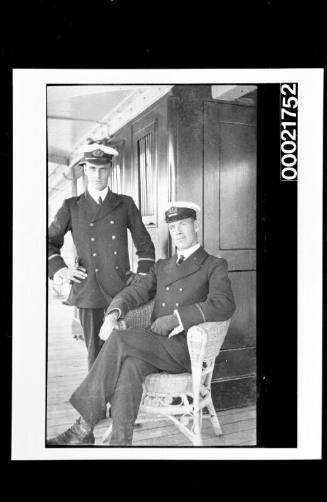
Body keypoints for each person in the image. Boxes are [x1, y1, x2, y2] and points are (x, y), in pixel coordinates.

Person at [47, 201, 236, 446]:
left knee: (119, 338)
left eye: (184, 225)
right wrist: (114, 313)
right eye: (173, 227)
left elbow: (224, 304)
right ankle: (120, 444)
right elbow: (135, 292)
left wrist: (177, 318)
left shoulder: (213, 264)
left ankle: (83, 426)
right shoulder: (162, 266)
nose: (177, 232)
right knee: (129, 368)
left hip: (185, 348)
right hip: (154, 346)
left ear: (196, 226)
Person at [48, 138, 155, 369]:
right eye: (93, 169)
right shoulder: (71, 206)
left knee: (123, 353)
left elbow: (145, 246)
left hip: (121, 291)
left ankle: (117, 404)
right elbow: (47, 243)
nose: (98, 175)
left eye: (103, 170)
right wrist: (61, 270)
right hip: (89, 292)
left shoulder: (125, 204)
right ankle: (97, 405)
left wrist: (140, 280)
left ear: (110, 170)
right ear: (85, 170)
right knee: (95, 357)